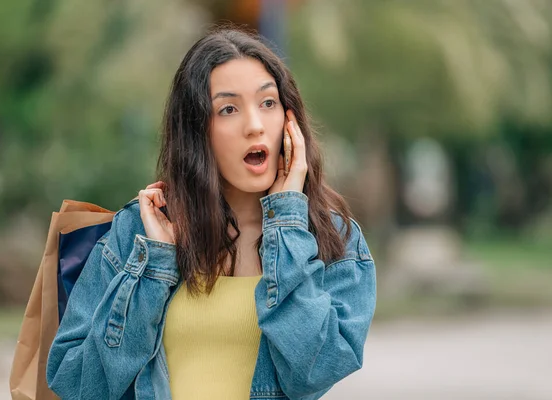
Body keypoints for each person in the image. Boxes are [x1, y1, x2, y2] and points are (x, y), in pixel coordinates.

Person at [46, 27, 376, 400]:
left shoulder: (331, 237)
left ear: (290, 120)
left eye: (267, 103)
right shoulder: (142, 229)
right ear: (196, 130)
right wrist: (155, 267)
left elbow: (314, 372)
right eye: (228, 109)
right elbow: (77, 385)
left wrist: (287, 221)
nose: (255, 125)